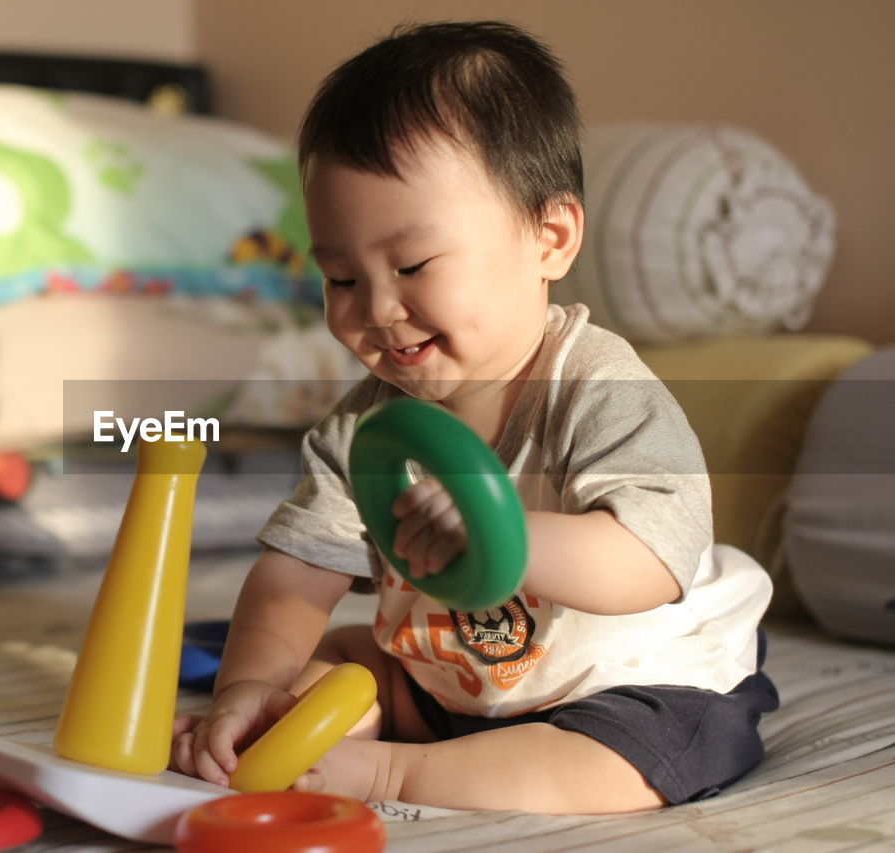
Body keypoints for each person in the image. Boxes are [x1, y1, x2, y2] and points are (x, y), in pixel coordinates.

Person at [171, 20, 778, 814]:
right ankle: (294, 733)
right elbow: (294, 576)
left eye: (413, 265)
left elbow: (653, 560)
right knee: (331, 666)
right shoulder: (363, 429)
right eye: (342, 278)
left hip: (629, 680)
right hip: (452, 678)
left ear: (550, 239)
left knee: (626, 763)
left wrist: (508, 538)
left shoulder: (598, 389)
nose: (378, 309)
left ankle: (394, 774)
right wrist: (248, 689)